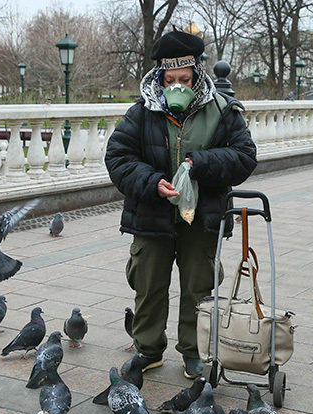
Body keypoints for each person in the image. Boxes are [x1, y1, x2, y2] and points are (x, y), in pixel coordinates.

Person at [105, 30, 258, 379]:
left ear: (198, 75)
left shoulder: (222, 110)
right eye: (169, 79)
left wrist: (198, 163)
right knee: (148, 284)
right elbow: (117, 156)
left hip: (200, 218)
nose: (176, 85)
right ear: (160, 76)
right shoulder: (142, 110)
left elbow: (245, 157)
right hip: (151, 214)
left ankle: (193, 352)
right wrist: (149, 182)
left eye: (184, 79)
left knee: (198, 287)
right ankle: (147, 349)